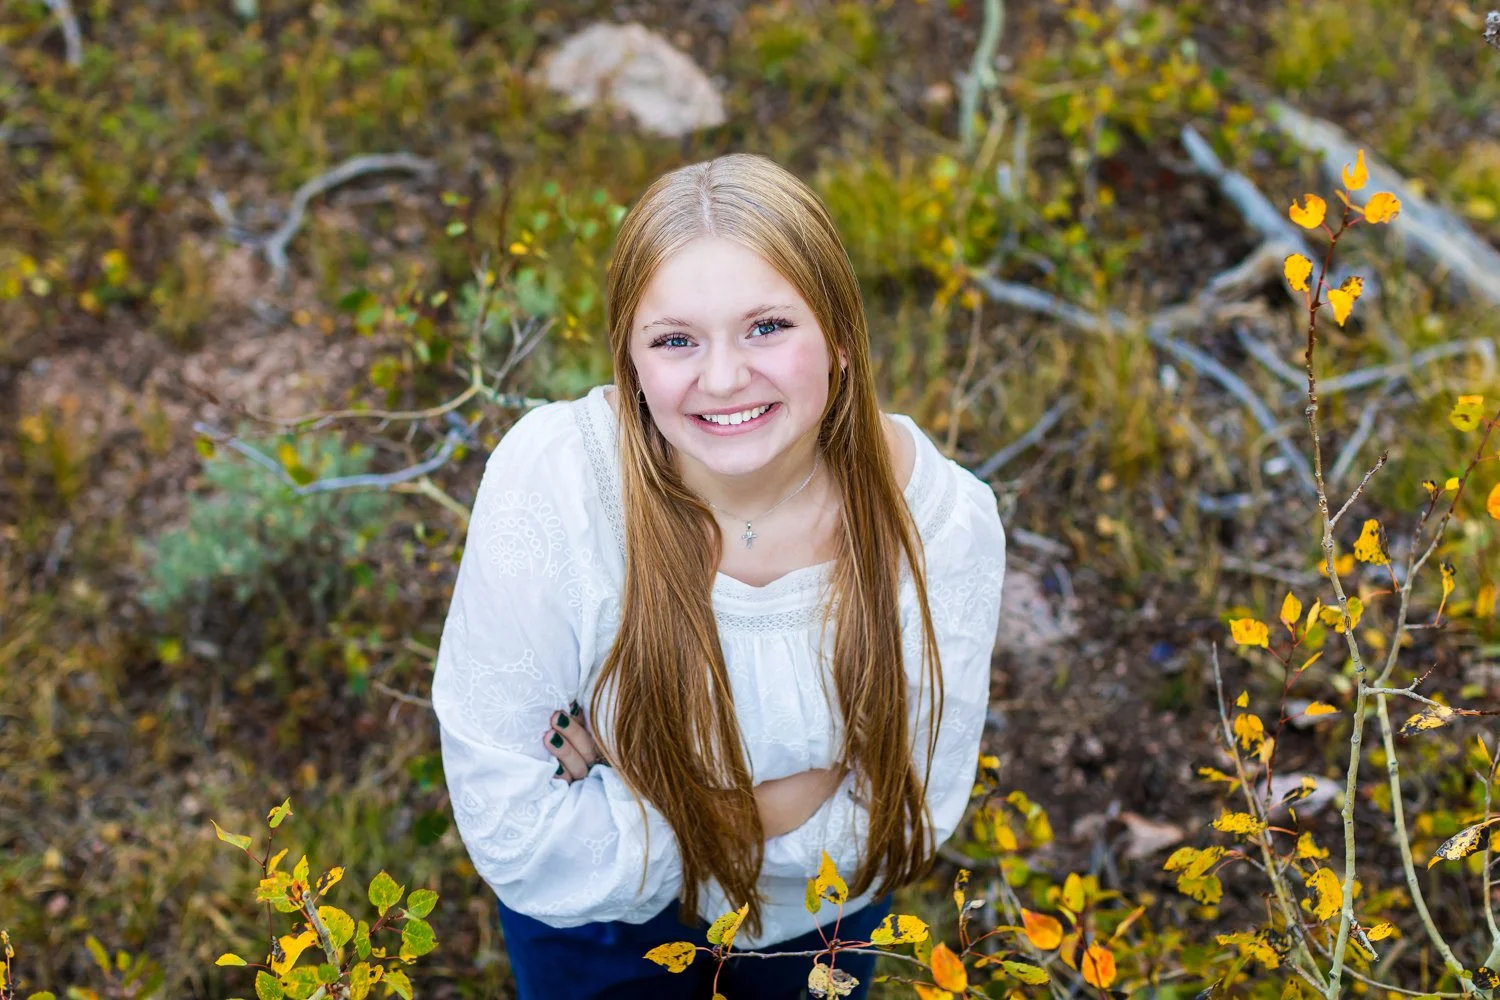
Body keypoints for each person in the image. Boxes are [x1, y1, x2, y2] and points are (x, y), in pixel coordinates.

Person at [431, 152, 1007, 999]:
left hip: (820, 933)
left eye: (767, 326)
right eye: (675, 341)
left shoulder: (938, 523)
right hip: (595, 944)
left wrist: (631, 780)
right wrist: (789, 796)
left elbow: (901, 822)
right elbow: (521, 839)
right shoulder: (555, 483)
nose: (724, 377)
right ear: (629, 362)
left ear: (841, 336)